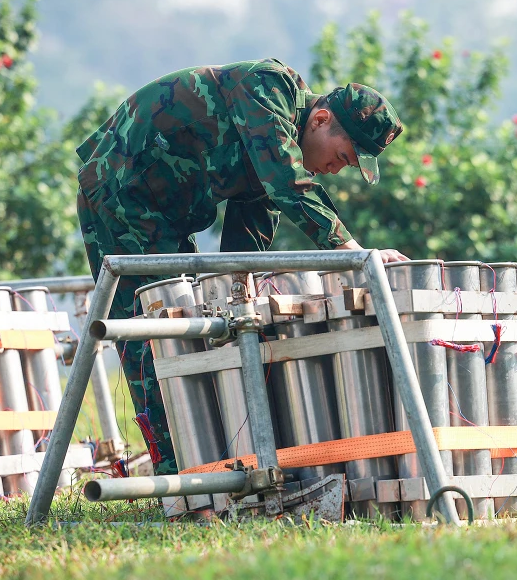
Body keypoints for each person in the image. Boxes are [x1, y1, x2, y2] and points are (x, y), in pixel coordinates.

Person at [76, 59, 407, 474]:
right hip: (120, 194)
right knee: (157, 335)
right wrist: (356, 253)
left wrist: (237, 293)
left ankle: (214, 467)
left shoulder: (277, 148)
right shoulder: (268, 88)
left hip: (165, 215)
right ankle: (179, 478)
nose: (335, 170)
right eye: (342, 157)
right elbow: (286, 184)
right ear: (320, 120)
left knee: (199, 326)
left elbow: (250, 230)